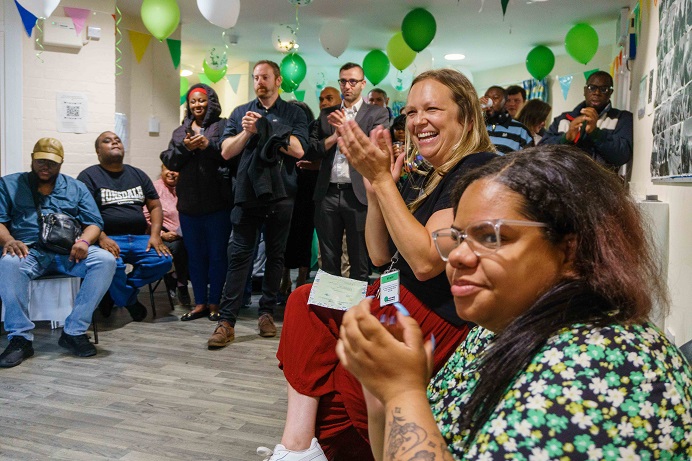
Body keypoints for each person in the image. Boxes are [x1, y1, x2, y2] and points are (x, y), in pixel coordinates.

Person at [337, 145, 692, 460]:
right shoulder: (499, 326)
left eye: (490, 236)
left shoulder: (601, 370)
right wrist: (383, 397)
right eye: (457, 236)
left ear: (572, 250)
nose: (458, 256)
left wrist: (402, 392)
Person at [263, 68, 497, 461]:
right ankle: (297, 447)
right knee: (304, 299)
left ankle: (314, 447)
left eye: (432, 110)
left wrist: (385, 184)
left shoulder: (476, 170)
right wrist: (375, 192)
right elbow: (377, 253)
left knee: (337, 382)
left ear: (467, 118)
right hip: (388, 293)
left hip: (425, 315)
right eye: (411, 111)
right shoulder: (424, 173)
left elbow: (425, 262)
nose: (418, 121)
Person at [207, 60, 308, 347]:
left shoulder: (292, 112)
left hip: (282, 194)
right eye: (255, 77)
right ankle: (227, 321)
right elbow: (226, 151)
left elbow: (299, 149)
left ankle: (266, 313)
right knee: (239, 256)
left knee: (276, 256)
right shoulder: (240, 113)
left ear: (278, 81)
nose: (259, 82)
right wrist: (249, 131)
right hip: (246, 195)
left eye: (265, 77)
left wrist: (267, 129)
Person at [0, 138, 116, 367]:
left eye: (52, 163)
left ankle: (73, 331)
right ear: (32, 158)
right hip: (28, 251)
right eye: (41, 161)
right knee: (9, 262)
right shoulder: (9, 184)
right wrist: (9, 240)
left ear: (61, 162)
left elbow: (94, 222)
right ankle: (20, 338)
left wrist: (84, 241)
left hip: (68, 253)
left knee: (105, 260)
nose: (46, 166)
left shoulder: (75, 187)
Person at [308, 62, 390, 282]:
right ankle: (332, 313)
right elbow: (312, 149)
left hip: (358, 194)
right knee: (328, 260)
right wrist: (334, 137)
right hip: (328, 192)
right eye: (343, 81)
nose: (347, 85)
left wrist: (347, 128)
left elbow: (374, 148)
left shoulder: (376, 113)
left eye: (353, 81)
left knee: (359, 260)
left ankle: (357, 313)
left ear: (363, 84)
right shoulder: (327, 114)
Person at [78, 132, 172, 322]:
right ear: (98, 151)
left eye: (117, 140)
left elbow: (154, 205)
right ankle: (130, 302)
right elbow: (82, 212)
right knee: (111, 265)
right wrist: (101, 237)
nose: (114, 142)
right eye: (107, 141)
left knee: (164, 260)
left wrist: (155, 235)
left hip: (139, 239)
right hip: (108, 239)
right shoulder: (89, 176)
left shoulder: (137, 173)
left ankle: (115, 293)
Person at [160, 83, 231, 321]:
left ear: (211, 102)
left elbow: (229, 155)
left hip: (217, 205)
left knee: (218, 256)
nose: (197, 105)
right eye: (193, 101)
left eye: (202, 100)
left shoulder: (223, 125)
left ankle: (215, 303)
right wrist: (186, 149)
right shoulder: (180, 132)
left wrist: (207, 145)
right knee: (195, 256)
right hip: (189, 207)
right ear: (188, 105)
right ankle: (199, 303)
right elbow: (170, 161)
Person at [540, 71, 633, 170]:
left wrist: (596, 133)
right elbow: (540, 152)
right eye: (592, 88)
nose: (597, 93)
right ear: (585, 91)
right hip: (563, 183)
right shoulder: (563, 119)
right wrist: (566, 138)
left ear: (610, 93)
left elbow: (623, 156)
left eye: (604, 89)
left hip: (601, 184)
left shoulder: (622, 118)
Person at [279, 100, 318, 298]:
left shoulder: (312, 135)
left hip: (307, 192)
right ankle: (285, 276)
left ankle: (302, 279)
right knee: (285, 237)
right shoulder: (284, 135)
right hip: (287, 190)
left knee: (303, 236)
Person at [142, 164, 190, 307]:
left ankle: (174, 276)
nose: (171, 173)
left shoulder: (186, 188)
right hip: (163, 235)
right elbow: (145, 217)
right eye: (167, 169)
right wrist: (162, 234)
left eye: (176, 170)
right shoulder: (154, 188)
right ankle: (182, 284)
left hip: (186, 233)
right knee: (179, 247)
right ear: (162, 170)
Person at [480, 85, 533, 154]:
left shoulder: (521, 130)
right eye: (487, 98)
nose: (489, 102)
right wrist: (475, 107)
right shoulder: (476, 126)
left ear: (505, 103)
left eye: (495, 98)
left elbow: (530, 160)